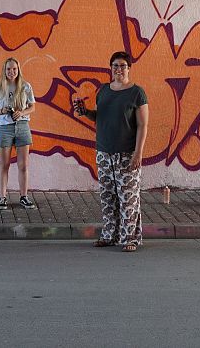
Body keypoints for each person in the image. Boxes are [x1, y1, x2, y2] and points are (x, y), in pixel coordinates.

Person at [73, 51, 149, 252]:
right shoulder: (104, 90)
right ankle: (109, 235)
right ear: (111, 68)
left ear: (129, 68)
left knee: (128, 198)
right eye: (115, 65)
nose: (119, 69)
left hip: (127, 153)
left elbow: (142, 126)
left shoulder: (137, 93)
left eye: (123, 65)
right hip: (104, 152)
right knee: (108, 197)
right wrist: (85, 112)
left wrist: (138, 153)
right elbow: (100, 117)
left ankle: (130, 239)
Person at [0, 57, 37, 210]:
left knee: (23, 165)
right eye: (8, 69)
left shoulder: (26, 87)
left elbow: (32, 107)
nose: (11, 72)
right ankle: (2, 198)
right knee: (4, 164)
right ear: (4, 70)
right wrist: (2, 111)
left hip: (22, 126)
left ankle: (24, 196)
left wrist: (22, 113)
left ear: (18, 70)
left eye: (14, 69)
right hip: (4, 128)